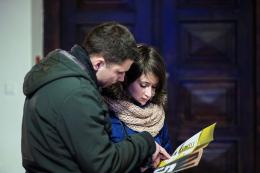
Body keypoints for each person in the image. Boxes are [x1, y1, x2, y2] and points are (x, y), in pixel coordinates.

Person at [21, 22, 170, 173]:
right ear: (99, 64)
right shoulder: (78, 94)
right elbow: (103, 166)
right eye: (119, 72)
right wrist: (145, 142)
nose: (122, 79)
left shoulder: (58, 77)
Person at [103, 44, 173, 172]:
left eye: (154, 87)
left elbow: (167, 155)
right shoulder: (105, 110)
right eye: (144, 85)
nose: (149, 94)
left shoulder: (156, 114)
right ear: (127, 78)